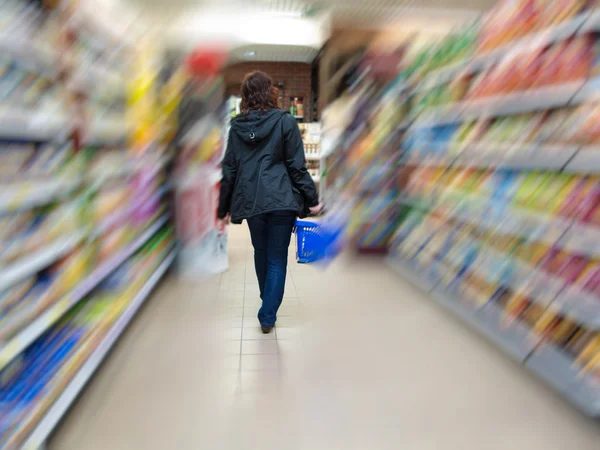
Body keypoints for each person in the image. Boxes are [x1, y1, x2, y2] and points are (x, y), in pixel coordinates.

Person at [217, 71, 322, 333]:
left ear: (245, 96)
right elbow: (296, 166)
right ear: (270, 92)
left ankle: (268, 306)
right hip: (281, 200)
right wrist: (312, 198)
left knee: (261, 253)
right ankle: (268, 313)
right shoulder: (285, 122)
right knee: (276, 258)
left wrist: (222, 208)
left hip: (252, 202)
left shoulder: (236, 127)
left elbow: (229, 169)